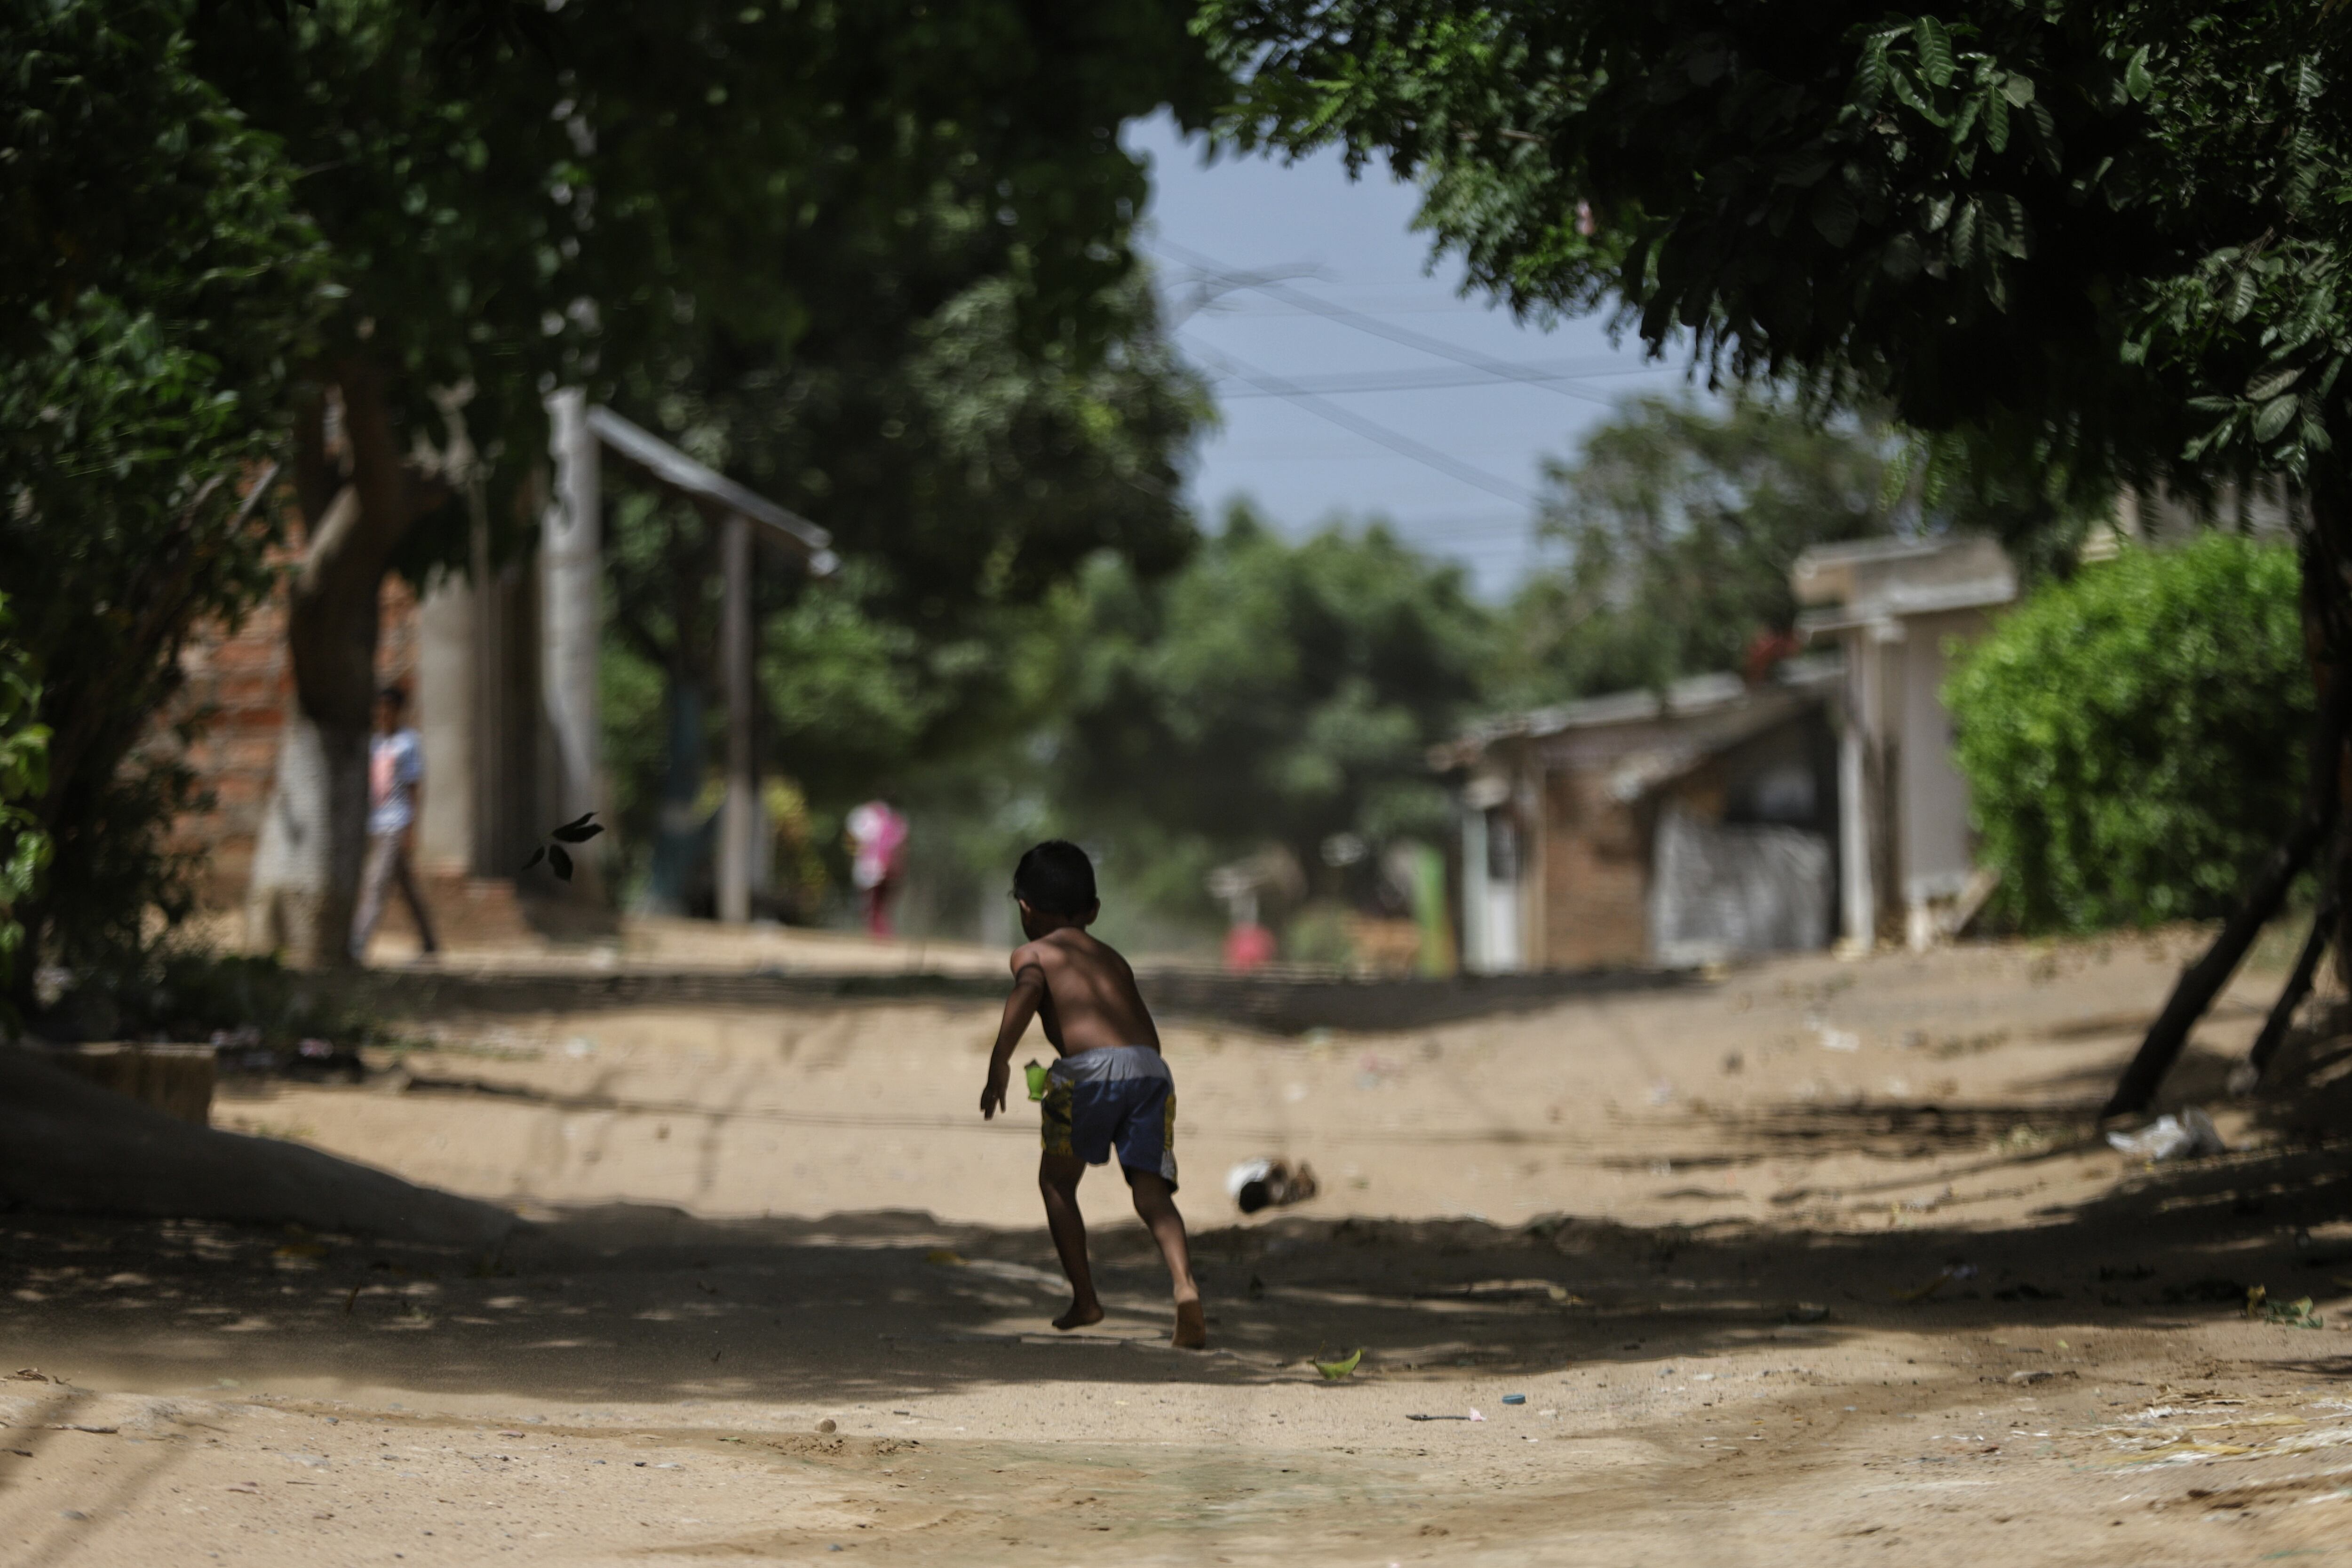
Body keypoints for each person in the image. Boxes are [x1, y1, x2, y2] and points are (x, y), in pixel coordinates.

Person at [979, 840, 1205, 1349]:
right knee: (1151, 1190)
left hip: (1080, 1076)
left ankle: (1085, 1299)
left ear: (1024, 907)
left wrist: (1000, 1059)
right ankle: (1184, 1285)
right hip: (1151, 1072)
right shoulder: (1113, 957)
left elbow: (1028, 990)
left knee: (1057, 1184)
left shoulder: (1033, 953)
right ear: (1094, 912)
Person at [350, 684, 440, 963]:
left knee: (375, 884)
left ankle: (358, 943)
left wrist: (411, 828)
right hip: (376, 823)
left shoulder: (408, 744)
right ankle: (429, 940)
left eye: (388, 709)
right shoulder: (375, 743)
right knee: (407, 888)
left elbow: (414, 787)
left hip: (396, 821)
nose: (383, 714)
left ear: (398, 711)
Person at [844, 797, 907, 938]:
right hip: (883, 866)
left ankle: (878, 934)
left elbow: (852, 840)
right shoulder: (896, 819)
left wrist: (854, 857)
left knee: (873, 903)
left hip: (869, 866)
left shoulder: (864, 815)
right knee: (879, 903)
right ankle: (879, 933)